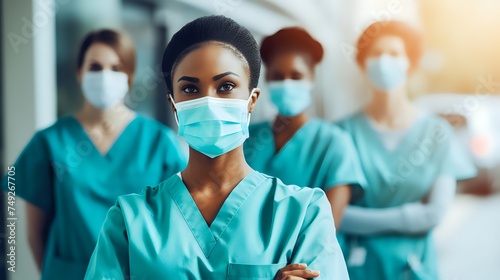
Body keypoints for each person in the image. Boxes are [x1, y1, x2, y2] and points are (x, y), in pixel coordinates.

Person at [84, 16, 349, 280]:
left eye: (226, 86)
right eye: (190, 88)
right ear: (173, 104)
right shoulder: (130, 221)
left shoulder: (303, 214)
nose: (208, 101)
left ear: (252, 100)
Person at [1, 29, 187, 279]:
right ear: (79, 73)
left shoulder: (160, 142)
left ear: (129, 76)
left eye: (115, 67)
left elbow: (175, 227)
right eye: (95, 67)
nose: (105, 76)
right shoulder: (50, 141)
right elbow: (35, 235)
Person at [336, 21, 477, 279]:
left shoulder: (436, 132)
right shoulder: (340, 134)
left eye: (394, 54)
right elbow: (334, 214)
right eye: (376, 54)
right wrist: (409, 217)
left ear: (409, 63)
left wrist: (364, 219)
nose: (384, 61)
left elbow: (434, 214)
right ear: (363, 64)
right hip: (356, 268)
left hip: (415, 270)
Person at [244, 27, 366, 227]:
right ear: (266, 80)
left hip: (309, 258)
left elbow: (326, 229)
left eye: (296, 76)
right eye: (277, 76)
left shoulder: (334, 144)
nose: (286, 83)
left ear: (312, 78)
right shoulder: (245, 138)